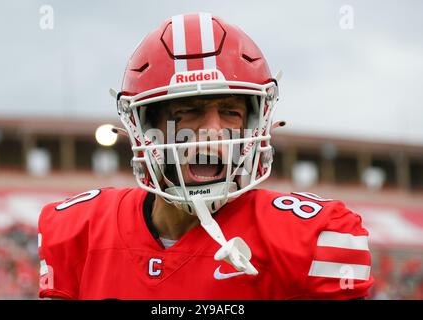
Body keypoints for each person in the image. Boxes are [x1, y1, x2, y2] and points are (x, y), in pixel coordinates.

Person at [38, 12, 374, 299]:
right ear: (145, 127)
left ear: (255, 124)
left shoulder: (310, 239)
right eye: (187, 111)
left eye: (230, 111)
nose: (212, 131)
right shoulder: (80, 230)